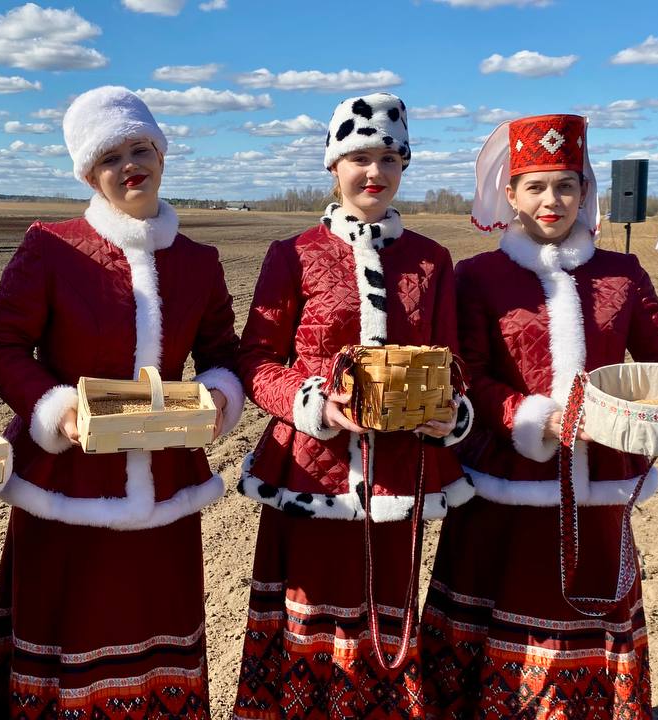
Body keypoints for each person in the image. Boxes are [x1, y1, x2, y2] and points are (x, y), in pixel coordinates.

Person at [421, 113, 658, 719]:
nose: (552, 200)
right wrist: (533, 418)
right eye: (536, 186)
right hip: (505, 485)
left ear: (586, 192)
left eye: (566, 185)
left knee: (592, 621)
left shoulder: (622, 274)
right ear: (510, 194)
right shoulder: (479, 277)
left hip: (600, 487)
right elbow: (467, 374)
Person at [0, 86, 244, 718]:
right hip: (69, 478)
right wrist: (53, 407)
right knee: (68, 628)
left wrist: (218, 395)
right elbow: (0, 343)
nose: (131, 164)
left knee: (159, 632)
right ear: (90, 174)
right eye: (111, 156)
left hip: (167, 483)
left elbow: (222, 352)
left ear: (162, 154)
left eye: (142, 147)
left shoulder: (199, 262)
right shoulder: (52, 247)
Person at [232, 92, 473, 718]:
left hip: (399, 474)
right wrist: (311, 402)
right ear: (333, 166)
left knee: (385, 619)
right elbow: (255, 362)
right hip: (311, 470)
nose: (375, 173)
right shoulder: (293, 255)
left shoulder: (431, 260)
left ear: (405, 168)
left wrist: (452, 411)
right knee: (306, 617)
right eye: (359, 158)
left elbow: (453, 362)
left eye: (390, 160)